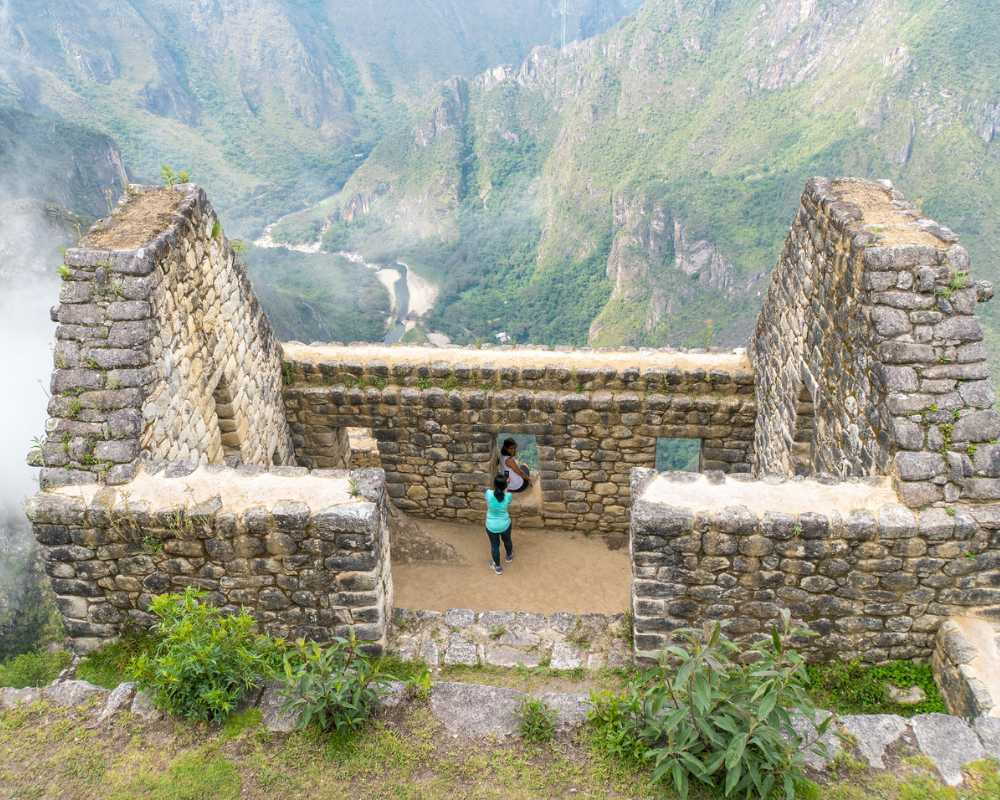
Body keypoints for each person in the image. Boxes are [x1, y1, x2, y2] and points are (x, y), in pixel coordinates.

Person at [484, 474, 514, 575]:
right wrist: (507, 485)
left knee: (494, 545)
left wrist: (503, 485)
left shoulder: (488, 493)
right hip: (505, 524)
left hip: (491, 526)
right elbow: (505, 495)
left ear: (494, 484)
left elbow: (493, 494)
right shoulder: (508, 496)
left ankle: (497, 567)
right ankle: (509, 556)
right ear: (505, 485)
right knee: (507, 540)